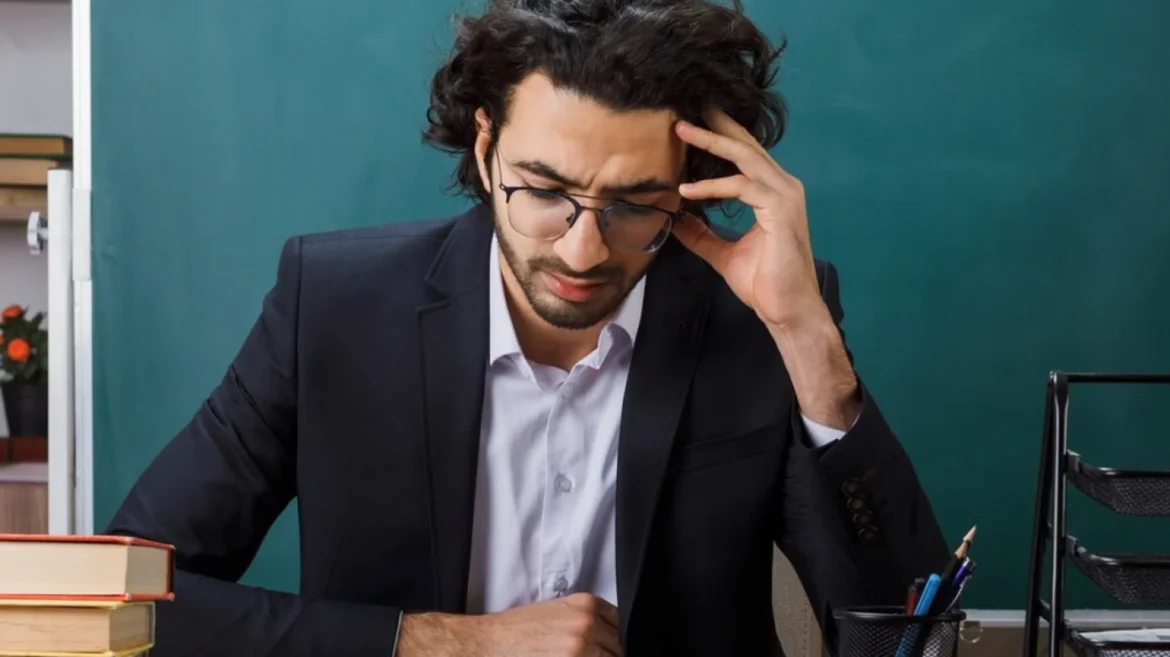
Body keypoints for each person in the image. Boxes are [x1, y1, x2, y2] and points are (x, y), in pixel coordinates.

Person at [107, 0, 950, 655]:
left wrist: (808, 340)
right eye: (544, 190)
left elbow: (904, 634)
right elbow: (118, 590)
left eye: (633, 203)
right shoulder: (329, 307)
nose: (584, 249)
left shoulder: (760, 325)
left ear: (688, 181)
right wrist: (429, 640)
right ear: (485, 148)